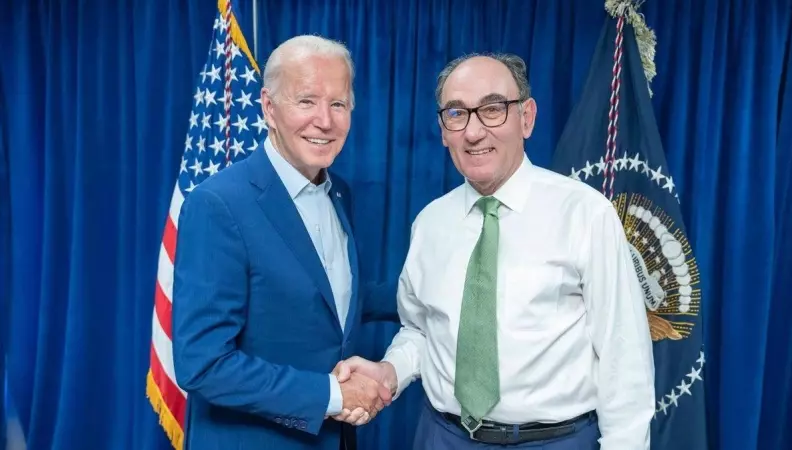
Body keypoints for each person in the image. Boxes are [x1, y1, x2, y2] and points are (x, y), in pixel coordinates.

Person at [334, 53, 656, 449]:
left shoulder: (586, 215)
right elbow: (421, 330)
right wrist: (391, 372)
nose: (473, 132)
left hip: (555, 441)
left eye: (492, 109)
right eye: (457, 113)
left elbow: (625, 359)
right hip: (443, 437)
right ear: (443, 128)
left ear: (527, 117)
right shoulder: (431, 223)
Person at [172, 35, 398, 450]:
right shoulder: (219, 205)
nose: (325, 121)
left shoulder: (338, 191)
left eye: (338, 104)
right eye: (307, 101)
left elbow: (325, 298)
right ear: (269, 107)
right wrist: (331, 395)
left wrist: (428, 293)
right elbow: (203, 363)